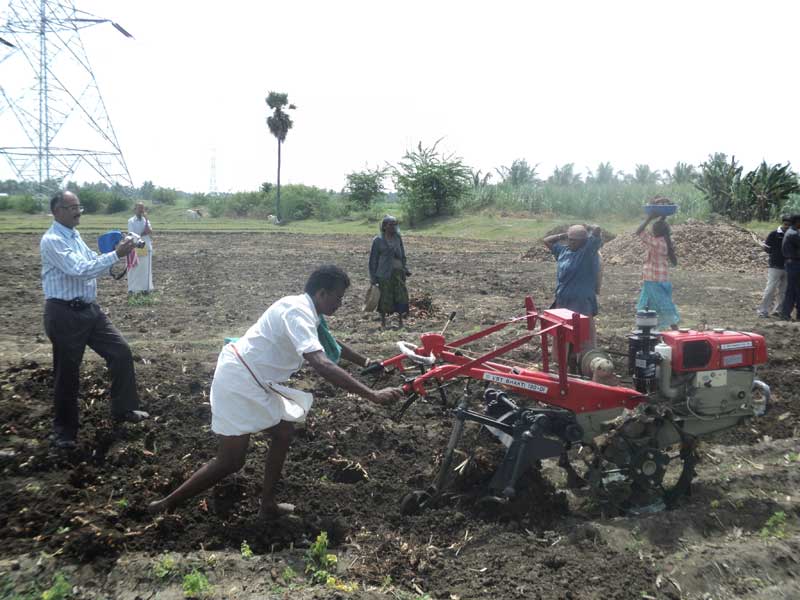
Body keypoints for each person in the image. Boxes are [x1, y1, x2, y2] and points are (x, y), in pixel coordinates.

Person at [147, 265, 404, 519]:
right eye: (338, 296)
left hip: (250, 378)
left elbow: (330, 343)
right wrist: (372, 395)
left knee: (283, 431)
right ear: (322, 293)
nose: (340, 302)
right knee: (230, 461)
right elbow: (320, 361)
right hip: (240, 380)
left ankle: (267, 504)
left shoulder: (306, 311)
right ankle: (166, 504)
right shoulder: (298, 313)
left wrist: (367, 362)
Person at [41, 191, 149, 450]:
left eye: (79, 206)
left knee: (120, 352)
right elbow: (80, 269)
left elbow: (89, 260)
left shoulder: (73, 235)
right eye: (72, 207)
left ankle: (124, 409)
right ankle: (64, 433)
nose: (78, 211)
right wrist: (116, 255)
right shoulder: (53, 240)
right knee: (67, 374)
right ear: (57, 211)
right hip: (64, 314)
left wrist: (116, 250)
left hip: (89, 311)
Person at [543, 224, 603, 365]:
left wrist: (590, 227)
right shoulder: (563, 251)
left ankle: (586, 365)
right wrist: (564, 235)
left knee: (583, 339)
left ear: (583, 241)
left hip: (581, 303)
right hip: (563, 302)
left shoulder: (587, 253)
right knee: (562, 336)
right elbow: (547, 241)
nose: (570, 242)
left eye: (574, 240)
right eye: (569, 239)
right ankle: (562, 364)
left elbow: (597, 230)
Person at [635, 214, 680, 330]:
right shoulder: (665, 241)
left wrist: (649, 218)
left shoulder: (656, 243)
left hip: (653, 280)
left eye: (653, 229)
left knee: (663, 307)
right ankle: (648, 329)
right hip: (659, 279)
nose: (651, 231)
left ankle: (675, 331)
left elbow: (639, 231)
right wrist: (661, 217)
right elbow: (660, 228)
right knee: (651, 305)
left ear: (657, 232)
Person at [369, 215, 411, 328]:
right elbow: (373, 260)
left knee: (400, 296)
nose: (393, 227)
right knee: (384, 298)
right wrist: (373, 278)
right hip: (383, 274)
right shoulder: (378, 240)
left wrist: (404, 268)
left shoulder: (398, 238)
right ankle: (383, 323)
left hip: (398, 272)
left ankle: (400, 322)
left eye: (395, 224)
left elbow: (402, 255)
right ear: (384, 227)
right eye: (390, 225)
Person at [757, 216, 791, 317]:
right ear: (782, 224)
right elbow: (767, 248)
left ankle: (778, 310)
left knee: (783, 291)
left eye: (789, 225)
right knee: (770, 289)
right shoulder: (774, 234)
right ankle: (763, 311)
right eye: (786, 225)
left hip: (787, 267)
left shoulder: (792, 235)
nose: (787, 227)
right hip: (775, 266)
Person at [127, 202, 154, 294]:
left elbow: (149, 231)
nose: (141, 210)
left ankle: (145, 289)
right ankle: (133, 289)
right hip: (136, 247)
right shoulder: (131, 221)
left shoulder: (146, 220)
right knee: (135, 268)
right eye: (139, 208)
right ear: (135, 210)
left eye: (142, 208)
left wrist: (146, 220)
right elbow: (132, 234)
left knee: (146, 269)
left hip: (146, 246)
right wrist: (141, 234)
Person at [779, 214, 800, 320]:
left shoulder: (792, 232)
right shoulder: (794, 234)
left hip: (793, 264)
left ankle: (786, 314)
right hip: (795, 264)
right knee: (793, 290)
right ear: (797, 222)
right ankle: (786, 314)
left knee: (793, 289)